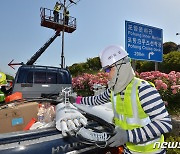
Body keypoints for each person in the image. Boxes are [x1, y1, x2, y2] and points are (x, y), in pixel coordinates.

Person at [70, 45, 172, 154]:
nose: (107, 74)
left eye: (109, 69)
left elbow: (164, 124)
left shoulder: (143, 89)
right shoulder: (114, 91)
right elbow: (96, 100)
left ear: (121, 67)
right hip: (128, 150)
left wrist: (128, 136)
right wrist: (76, 100)